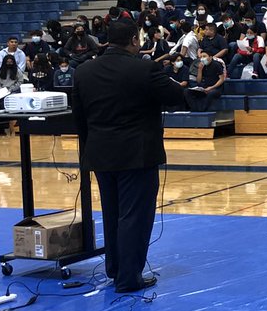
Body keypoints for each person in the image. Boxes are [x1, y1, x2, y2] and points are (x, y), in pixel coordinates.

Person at [70, 20, 186, 294]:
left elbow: (79, 118)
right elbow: (174, 96)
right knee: (134, 216)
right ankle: (129, 278)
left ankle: (114, 269)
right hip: (137, 154)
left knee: (112, 213)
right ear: (135, 40)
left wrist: (90, 149)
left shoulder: (84, 71)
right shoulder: (144, 68)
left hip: (100, 153)